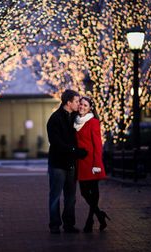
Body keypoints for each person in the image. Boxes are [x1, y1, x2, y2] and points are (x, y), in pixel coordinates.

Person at [47, 89, 87, 234]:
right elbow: (55, 143)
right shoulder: (55, 119)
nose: (79, 104)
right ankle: (54, 225)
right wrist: (74, 151)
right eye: (76, 101)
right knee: (55, 196)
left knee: (71, 197)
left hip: (71, 163)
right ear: (68, 102)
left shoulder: (76, 118)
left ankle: (69, 224)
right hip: (58, 163)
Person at [74, 96, 109, 232]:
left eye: (85, 105)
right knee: (84, 192)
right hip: (80, 162)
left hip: (91, 162)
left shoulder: (93, 122)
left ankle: (90, 220)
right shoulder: (76, 121)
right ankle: (100, 215)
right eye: (81, 104)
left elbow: (97, 145)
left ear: (90, 109)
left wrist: (97, 164)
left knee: (93, 192)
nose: (82, 107)